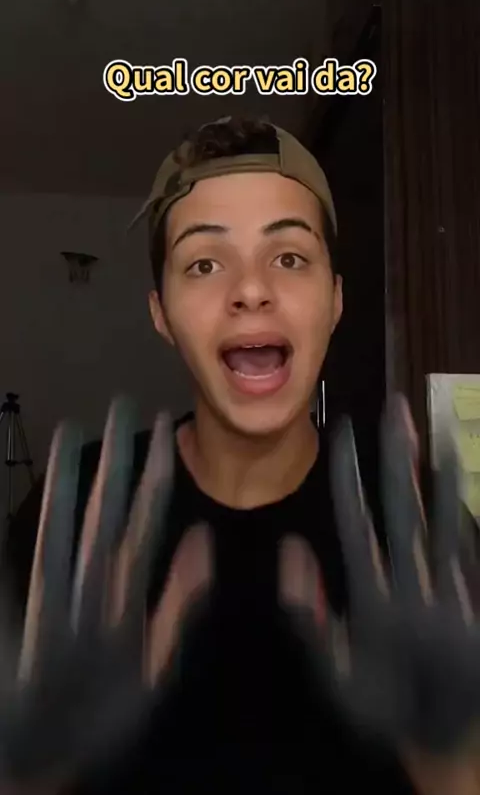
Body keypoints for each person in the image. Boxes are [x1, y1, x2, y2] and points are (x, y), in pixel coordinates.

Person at [5, 117, 480, 795]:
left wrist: (452, 769)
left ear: (335, 300)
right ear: (161, 313)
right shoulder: (76, 513)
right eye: (204, 263)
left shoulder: (422, 527)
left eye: (289, 257)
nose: (251, 289)